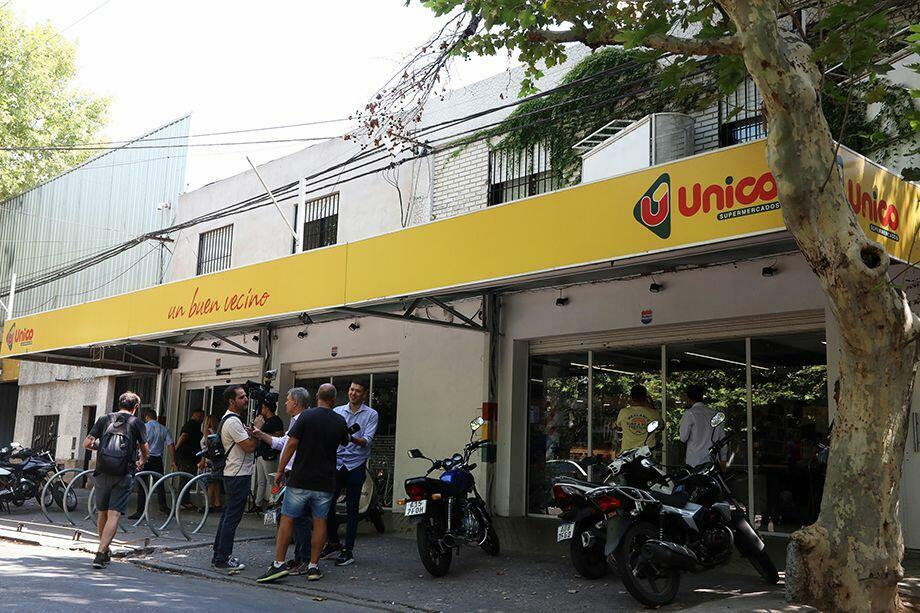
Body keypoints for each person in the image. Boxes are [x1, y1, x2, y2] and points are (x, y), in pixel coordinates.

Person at [257, 383, 350, 583]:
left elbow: (291, 443)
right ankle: (313, 566)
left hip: (301, 478)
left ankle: (278, 564)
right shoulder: (339, 420)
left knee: (288, 518)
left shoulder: (306, 416)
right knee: (319, 522)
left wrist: (280, 470)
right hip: (325, 480)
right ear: (334, 400)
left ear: (317, 397)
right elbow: (345, 442)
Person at [82, 391, 149, 569]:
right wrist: (142, 460)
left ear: (119, 403)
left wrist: (102, 447)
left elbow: (87, 443)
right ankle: (100, 553)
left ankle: (104, 551)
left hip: (102, 471)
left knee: (102, 512)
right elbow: (145, 448)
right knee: (114, 514)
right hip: (123, 473)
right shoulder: (137, 423)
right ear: (136, 407)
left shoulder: (104, 419)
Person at [251, 387, 311, 575]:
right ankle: (300, 557)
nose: (285, 403)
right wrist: (260, 434)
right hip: (292, 474)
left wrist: (279, 470)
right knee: (296, 518)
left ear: (296, 403)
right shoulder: (295, 421)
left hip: (298, 474)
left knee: (299, 519)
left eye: (287, 399)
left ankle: (303, 559)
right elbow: (282, 442)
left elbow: (290, 445)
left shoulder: (304, 421)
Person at [323, 380, 378, 566]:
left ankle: (348, 550)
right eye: (351, 390)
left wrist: (350, 438)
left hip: (356, 464)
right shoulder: (338, 411)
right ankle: (333, 543)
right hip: (337, 463)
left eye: (358, 391)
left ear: (364, 394)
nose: (353, 393)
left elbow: (367, 441)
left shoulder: (371, 414)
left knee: (352, 508)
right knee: (327, 505)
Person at [211, 385, 257, 573]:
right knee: (232, 518)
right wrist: (258, 431)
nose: (246, 400)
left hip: (234, 474)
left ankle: (218, 555)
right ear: (231, 401)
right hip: (238, 475)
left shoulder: (230, 420)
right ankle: (222, 558)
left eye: (245, 396)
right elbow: (249, 447)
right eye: (241, 397)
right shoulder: (233, 422)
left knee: (227, 516)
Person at [128, 409, 177, 519]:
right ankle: (163, 506)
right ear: (156, 417)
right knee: (159, 483)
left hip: (144, 458)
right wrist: (173, 460)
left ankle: (140, 511)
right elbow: (170, 444)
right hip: (157, 459)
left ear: (147, 417)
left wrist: (136, 458)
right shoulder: (164, 429)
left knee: (142, 485)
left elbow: (137, 443)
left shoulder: (143, 427)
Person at [250, 396, 284, 513]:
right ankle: (258, 504)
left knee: (272, 481)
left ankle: (273, 502)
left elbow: (279, 436)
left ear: (267, 408)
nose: (262, 410)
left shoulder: (276, 420)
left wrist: (263, 435)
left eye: (263, 408)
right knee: (261, 481)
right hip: (261, 453)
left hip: (270, 454)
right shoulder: (264, 421)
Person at [678, 384, 726, 467]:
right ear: (702, 397)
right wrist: (723, 459)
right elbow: (722, 439)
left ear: (688, 398)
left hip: (695, 461)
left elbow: (683, 438)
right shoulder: (715, 414)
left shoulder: (689, 414)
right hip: (713, 460)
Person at [614, 384, 660, 453]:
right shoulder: (654, 413)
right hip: (646, 454)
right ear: (645, 398)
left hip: (627, 454)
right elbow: (661, 426)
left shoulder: (624, 412)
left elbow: (618, 426)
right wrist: (651, 405)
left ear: (631, 397)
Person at [198, 414, 223, 512]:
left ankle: (208, 504)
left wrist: (202, 461)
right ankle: (217, 503)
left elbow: (206, 448)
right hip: (216, 460)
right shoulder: (217, 433)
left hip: (208, 460)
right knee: (215, 482)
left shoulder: (207, 432)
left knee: (209, 483)